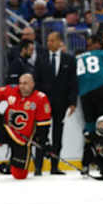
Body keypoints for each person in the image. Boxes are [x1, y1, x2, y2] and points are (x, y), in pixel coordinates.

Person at [0, 73, 52, 181]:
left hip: (22, 139)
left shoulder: (40, 98)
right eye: (20, 83)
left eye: (25, 83)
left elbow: (44, 125)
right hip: (7, 129)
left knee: (19, 175)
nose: (21, 86)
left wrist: (43, 142)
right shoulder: (12, 90)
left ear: (33, 84)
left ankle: (8, 166)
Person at [34, 32, 78, 175]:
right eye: (48, 40)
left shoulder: (69, 60)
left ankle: (54, 166)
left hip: (61, 103)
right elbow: (37, 81)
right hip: (43, 105)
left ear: (60, 42)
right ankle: (38, 167)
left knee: (58, 135)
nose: (49, 43)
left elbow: (73, 82)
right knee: (41, 135)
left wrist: (72, 102)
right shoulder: (41, 59)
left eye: (52, 40)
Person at [76, 35, 103, 133]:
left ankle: (92, 145)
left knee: (90, 122)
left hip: (84, 93)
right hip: (102, 89)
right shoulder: (102, 53)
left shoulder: (77, 58)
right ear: (97, 44)